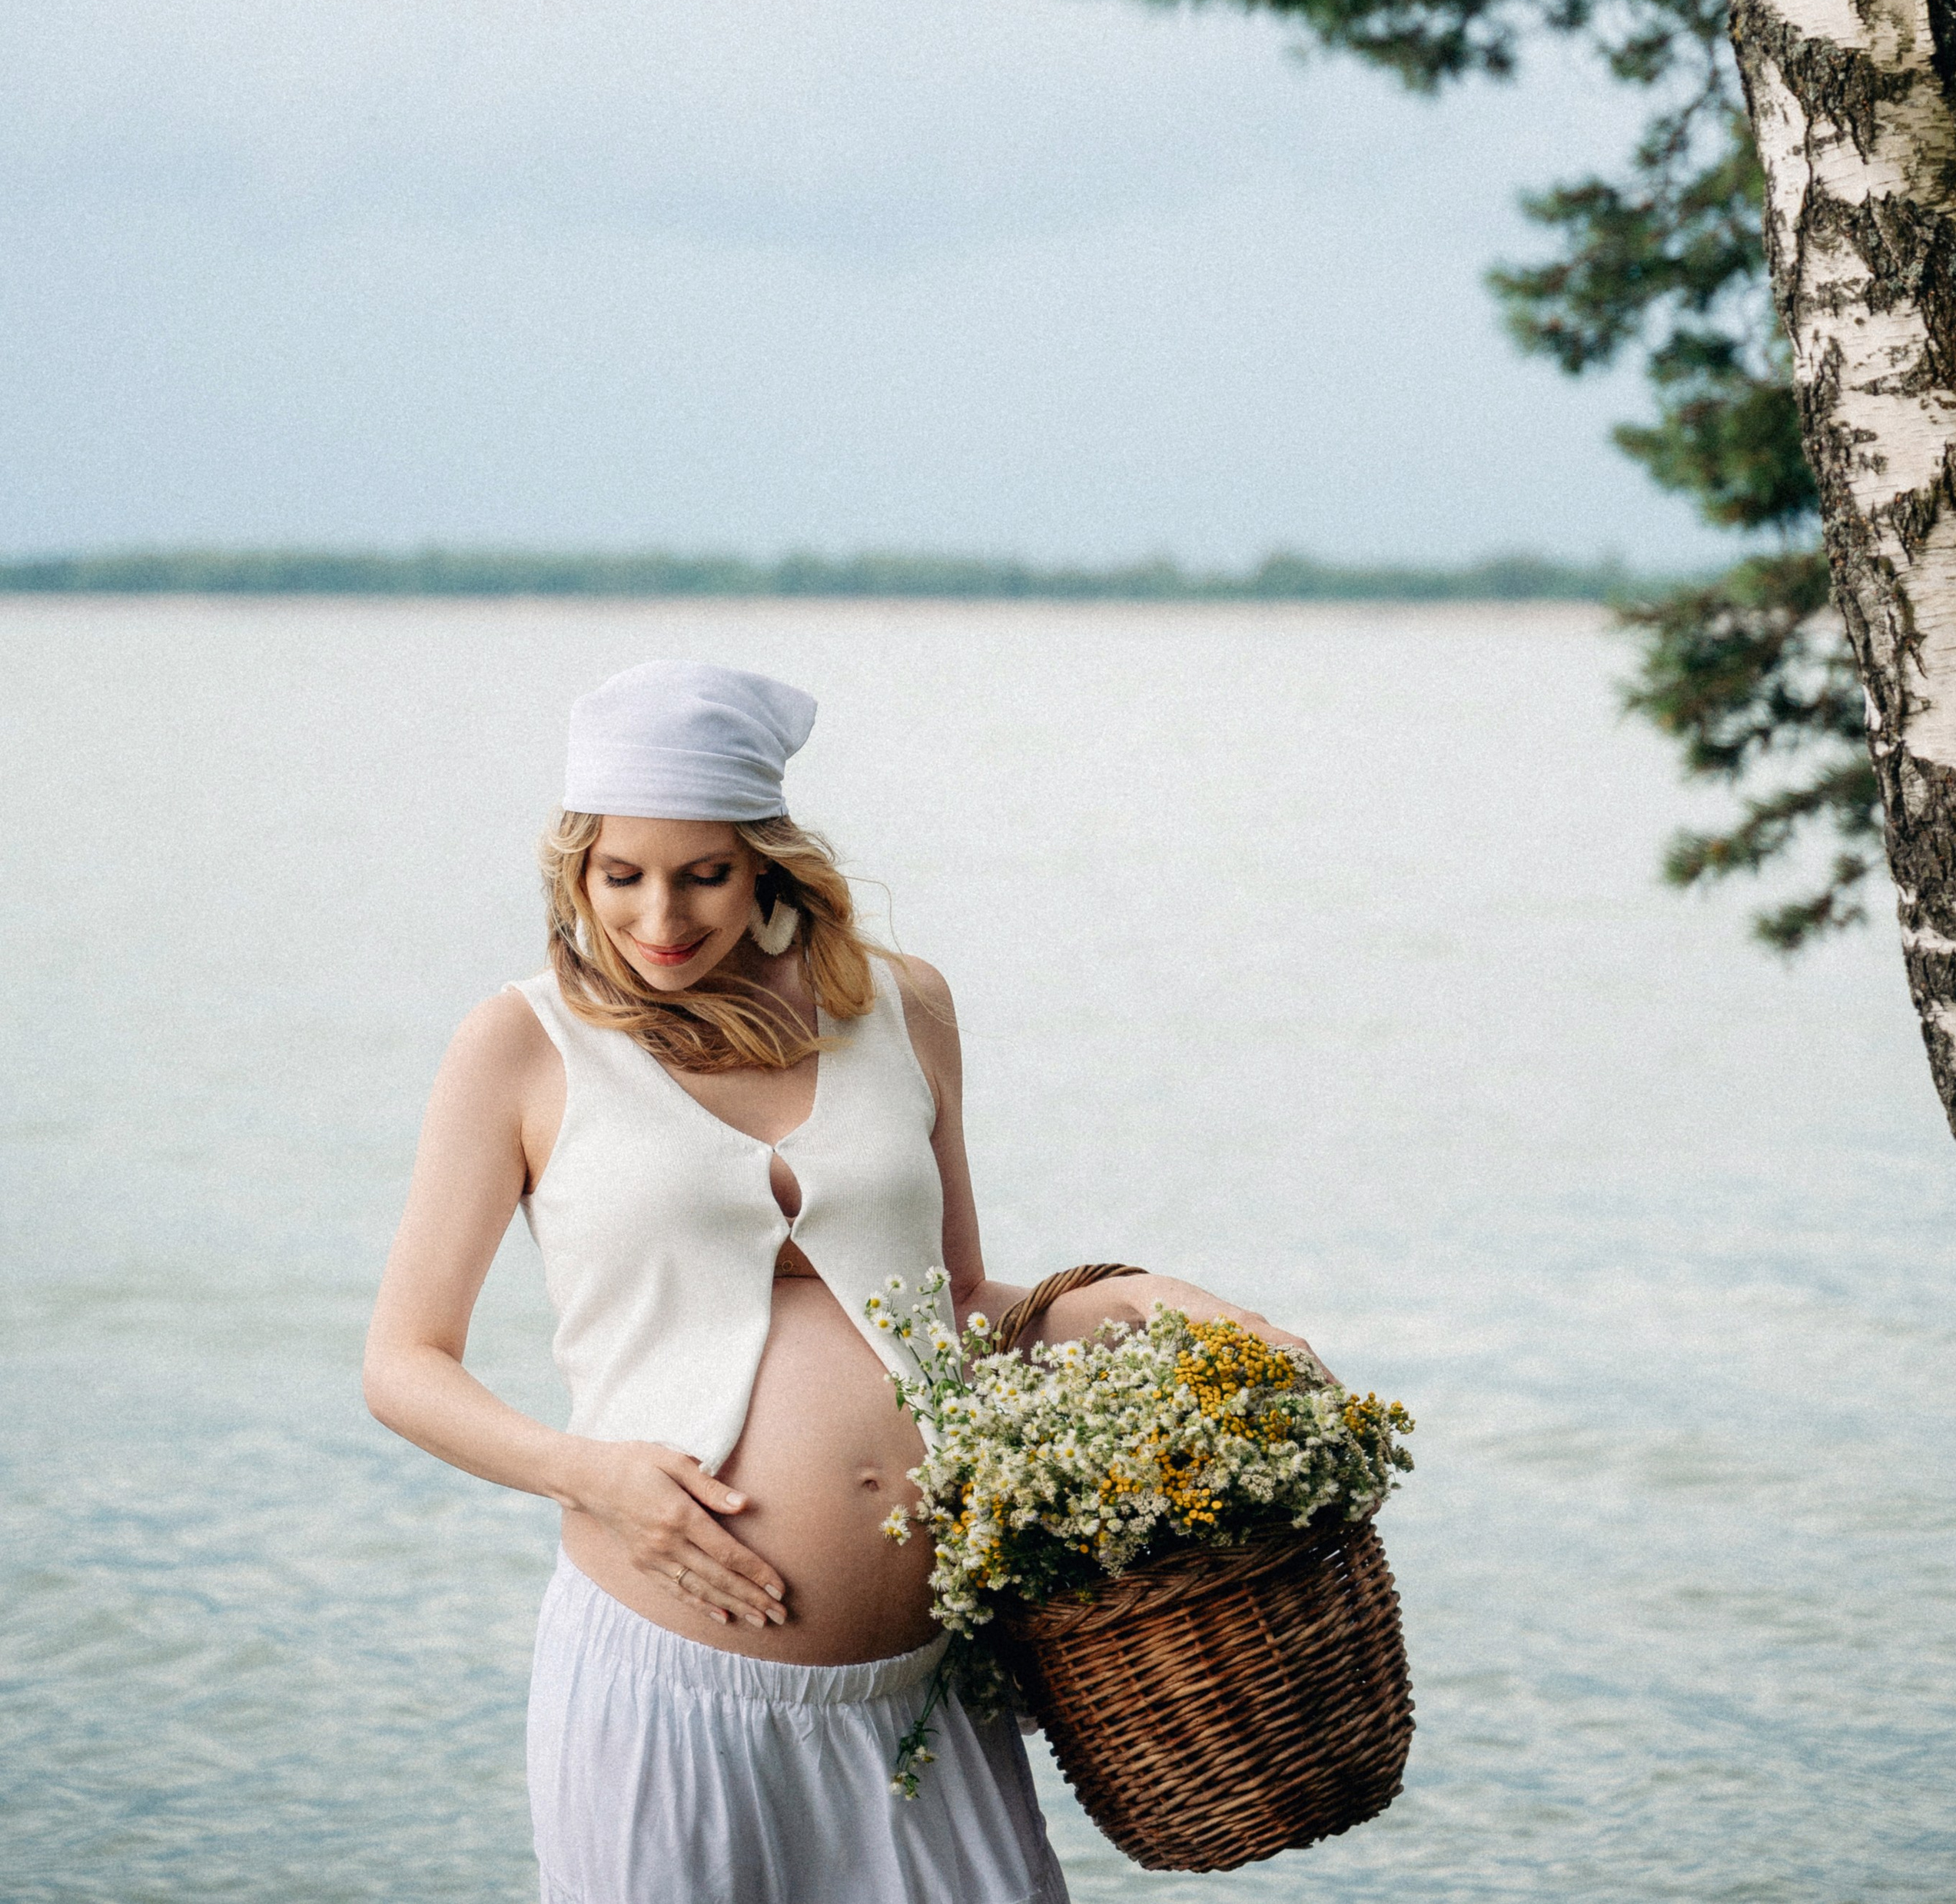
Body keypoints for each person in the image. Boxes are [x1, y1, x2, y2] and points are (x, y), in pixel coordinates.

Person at [364, 657, 1310, 1904]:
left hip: (928, 1701)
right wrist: (589, 1475)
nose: (661, 919)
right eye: (622, 876)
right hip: (672, 1680)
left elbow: (961, 1309)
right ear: (575, 873)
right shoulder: (522, 1045)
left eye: (703, 873)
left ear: (765, 861)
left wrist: (1181, 1309)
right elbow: (403, 1364)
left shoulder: (901, 1008)